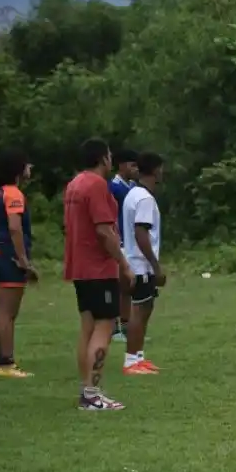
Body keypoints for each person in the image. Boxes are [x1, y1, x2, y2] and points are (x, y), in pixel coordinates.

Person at [63, 138, 134, 410]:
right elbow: (104, 230)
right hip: (97, 267)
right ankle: (92, 394)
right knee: (105, 327)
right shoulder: (95, 186)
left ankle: (87, 390)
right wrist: (124, 264)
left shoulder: (74, 184)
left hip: (80, 266)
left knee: (88, 328)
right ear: (104, 158)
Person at [0, 148, 38, 378]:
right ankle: (6, 362)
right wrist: (23, 261)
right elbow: (14, 227)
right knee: (8, 313)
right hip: (9, 257)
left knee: (4, 312)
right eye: (27, 165)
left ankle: (3, 360)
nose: (30, 169)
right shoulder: (14, 194)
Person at [120, 152, 165, 375]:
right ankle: (131, 361)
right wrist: (155, 266)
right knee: (139, 311)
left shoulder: (133, 193)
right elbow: (141, 232)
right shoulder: (145, 198)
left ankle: (139, 357)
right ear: (155, 170)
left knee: (145, 308)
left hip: (136, 263)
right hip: (141, 265)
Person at [108, 149, 138, 342]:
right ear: (121, 166)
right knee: (116, 286)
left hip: (132, 242)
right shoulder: (113, 187)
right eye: (132, 165)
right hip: (118, 242)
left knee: (128, 286)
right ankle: (113, 327)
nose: (135, 169)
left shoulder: (134, 187)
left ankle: (126, 325)